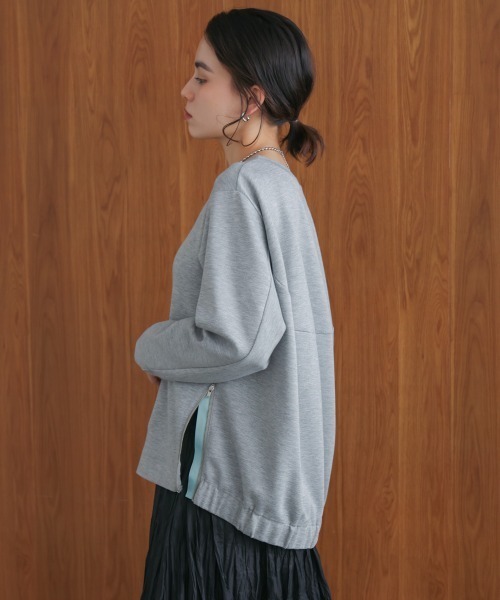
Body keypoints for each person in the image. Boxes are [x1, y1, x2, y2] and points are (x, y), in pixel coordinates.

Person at [135, 8, 336, 599]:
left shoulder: (242, 187)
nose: (186, 90)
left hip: (220, 492)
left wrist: (151, 346)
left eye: (202, 77)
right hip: (259, 492)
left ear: (251, 98)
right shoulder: (279, 186)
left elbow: (235, 340)